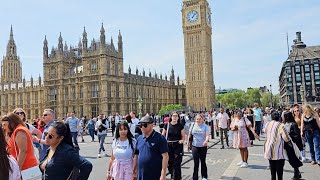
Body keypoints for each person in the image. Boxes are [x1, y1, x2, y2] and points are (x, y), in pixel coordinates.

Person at [133, 116, 169, 180]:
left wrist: (163, 175)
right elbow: (136, 155)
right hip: (141, 175)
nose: (142, 127)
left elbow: (165, 156)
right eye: (140, 125)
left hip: (155, 175)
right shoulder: (139, 138)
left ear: (152, 125)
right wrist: (133, 171)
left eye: (144, 125)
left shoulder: (160, 138)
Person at [264, 111, 291, 180]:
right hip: (278, 150)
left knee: (272, 170)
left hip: (269, 148)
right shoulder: (281, 125)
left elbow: (264, 131)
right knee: (279, 170)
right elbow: (286, 138)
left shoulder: (268, 124)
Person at [161, 112, 185, 180]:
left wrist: (182, 140)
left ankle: (176, 177)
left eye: (176, 116)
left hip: (177, 145)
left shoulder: (180, 126)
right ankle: (172, 174)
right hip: (168, 145)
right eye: (173, 116)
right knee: (170, 162)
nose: (175, 117)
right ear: (171, 117)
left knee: (177, 163)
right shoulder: (167, 125)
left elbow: (183, 136)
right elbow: (163, 135)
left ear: (178, 117)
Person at [187, 114, 210, 180]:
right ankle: (195, 178)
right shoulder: (193, 125)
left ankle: (204, 177)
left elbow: (207, 135)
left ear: (203, 119)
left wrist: (206, 141)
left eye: (200, 119)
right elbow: (189, 134)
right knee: (196, 163)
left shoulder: (205, 126)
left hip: (203, 146)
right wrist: (188, 143)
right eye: (197, 119)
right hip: (195, 146)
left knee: (203, 162)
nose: (198, 120)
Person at [283, 111, 303, 180]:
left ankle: (296, 173)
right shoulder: (285, 124)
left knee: (294, 159)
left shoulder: (293, 124)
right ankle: (297, 172)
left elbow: (297, 135)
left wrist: (290, 136)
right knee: (290, 159)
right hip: (287, 145)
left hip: (293, 145)